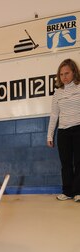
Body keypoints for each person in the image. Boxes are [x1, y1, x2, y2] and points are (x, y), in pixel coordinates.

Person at [47, 58, 80, 202]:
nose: (64, 77)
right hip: (63, 132)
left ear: (74, 72)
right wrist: (50, 135)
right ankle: (67, 191)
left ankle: (78, 192)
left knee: (79, 162)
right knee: (65, 163)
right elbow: (54, 115)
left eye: (67, 73)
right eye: (61, 75)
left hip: (79, 129)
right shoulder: (58, 93)